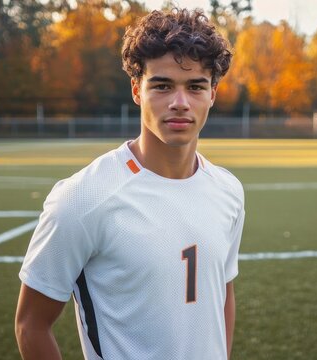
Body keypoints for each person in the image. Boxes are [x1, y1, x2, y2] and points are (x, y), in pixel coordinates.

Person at [15, 8, 245, 360]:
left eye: (196, 86)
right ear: (137, 90)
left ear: (212, 94)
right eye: (163, 86)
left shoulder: (228, 190)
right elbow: (31, 324)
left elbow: (222, 295)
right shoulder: (84, 198)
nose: (180, 103)